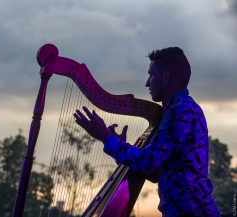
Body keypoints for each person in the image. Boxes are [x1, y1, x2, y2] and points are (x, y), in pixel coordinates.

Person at [73, 47, 220, 217]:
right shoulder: (176, 110)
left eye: (151, 75)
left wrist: (105, 137)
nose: (147, 83)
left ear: (166, 76)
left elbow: (148, 162)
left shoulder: (181, 111)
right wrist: (117, 146)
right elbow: (154, 173)